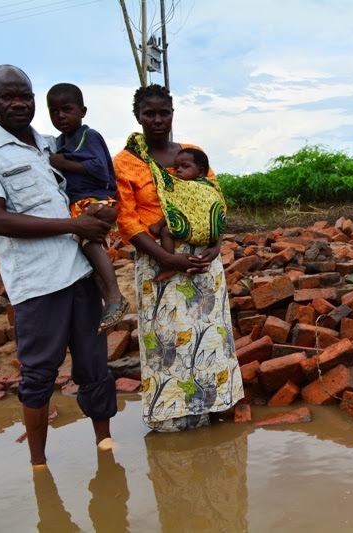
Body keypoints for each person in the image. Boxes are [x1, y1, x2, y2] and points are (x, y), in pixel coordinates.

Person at [0, 65, 117, 465]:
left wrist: (98, 211)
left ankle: (105, 447)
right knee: (39, 376)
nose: (18, 103)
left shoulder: (51, 144)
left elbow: (85, 188)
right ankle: (38, 464)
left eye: (25, 96)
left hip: (79, 275)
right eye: (7, 96)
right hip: (37, 284)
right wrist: (75, 223)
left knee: (95, 365)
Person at [114, 84, 243, 432]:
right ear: (137, 116)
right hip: (158, 257)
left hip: (203, 259)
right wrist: (167, 260)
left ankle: (213, 406)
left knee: (209, 336)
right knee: (166, 339)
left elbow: (214, 199)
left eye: (164, 112)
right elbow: (127, 219)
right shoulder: (126, 163)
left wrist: (215, 247)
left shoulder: (193, 153)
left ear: (173, 113)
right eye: (149, 114)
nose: (157, 120)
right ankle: (171, 416)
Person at [46, 82, 129, 332]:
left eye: (67, 109)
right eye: (54, 111)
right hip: (78, 205)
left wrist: (63, 163)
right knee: (87, 255)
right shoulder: (60, 141)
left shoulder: (88, 136)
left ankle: (115, 296)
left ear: (82, 111)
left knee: (90, 244)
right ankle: (111, 303)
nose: (60, 116)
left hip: (96, 199)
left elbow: (99, 168)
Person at [148, 147, 210, 282]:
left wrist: (157, 225)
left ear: (200, 172)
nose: (178, 170)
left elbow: (175, 208)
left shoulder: (188, 187)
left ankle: (169, 266)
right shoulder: (209, 186)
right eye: (176, 168)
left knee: (166, 231)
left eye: (185, 166)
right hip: (208, 234)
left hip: (196, 227)